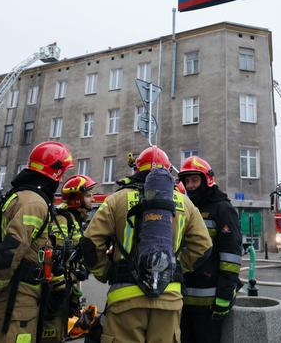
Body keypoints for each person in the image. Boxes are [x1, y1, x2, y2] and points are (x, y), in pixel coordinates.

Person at [79, 146, 212, 343]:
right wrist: (173, 268)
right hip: (170, 299)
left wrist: (106, 271)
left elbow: (90, 243)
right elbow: (203, 246)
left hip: (125, 298)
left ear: (136, 170)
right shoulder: (185, 203)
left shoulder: (116, 200)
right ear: (167, 172)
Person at [0, 141, 74, 343]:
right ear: (55, 172)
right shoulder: (34, 203)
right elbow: (9, 255)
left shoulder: (25, 197)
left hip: (18, 300)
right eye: (62, 172)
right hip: (14, 303)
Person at [178, 156, 243, 343]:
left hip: (209, 303)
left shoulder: (222, 208)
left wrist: (224, 296)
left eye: (195, 180)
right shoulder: (185, 207)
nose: (190, 185)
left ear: (207, 180)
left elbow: (231, 257)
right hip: (183, 298)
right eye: (187, 181)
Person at [41, 174, 97, 343]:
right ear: (76, 199)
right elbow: (56, 253)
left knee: (61, 331)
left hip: (67, 285)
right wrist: (59, 284)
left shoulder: (76, 219)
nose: (93, 199)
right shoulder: (63, 219)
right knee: (51, 333)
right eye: (88, 195)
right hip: (56, 288)